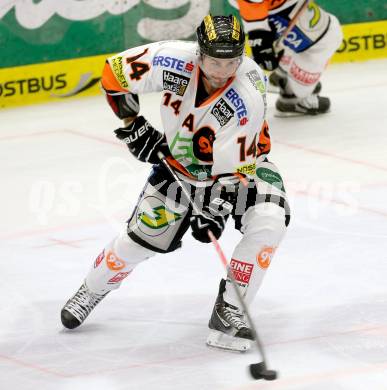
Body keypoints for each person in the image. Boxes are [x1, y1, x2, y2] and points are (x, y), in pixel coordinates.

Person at [60, 14, 290, 352]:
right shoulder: (171, 60)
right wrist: (133, 125)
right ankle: (92, 288)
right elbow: (114, 73)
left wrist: (215, 208)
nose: (223, 70)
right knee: (134, 245)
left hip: (245, 170)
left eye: (231, 62)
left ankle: (231, 309)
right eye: (215, 60)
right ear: (199, 53)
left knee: (270, 221)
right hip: (178, 168)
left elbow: (231, 172)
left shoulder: (248, 95)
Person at [232, 0, 343, 116]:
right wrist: (258, 33)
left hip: (272, 7)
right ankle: (293, 97)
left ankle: (284, 74)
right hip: (273, 7)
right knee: (328, 38)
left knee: (323, 34)